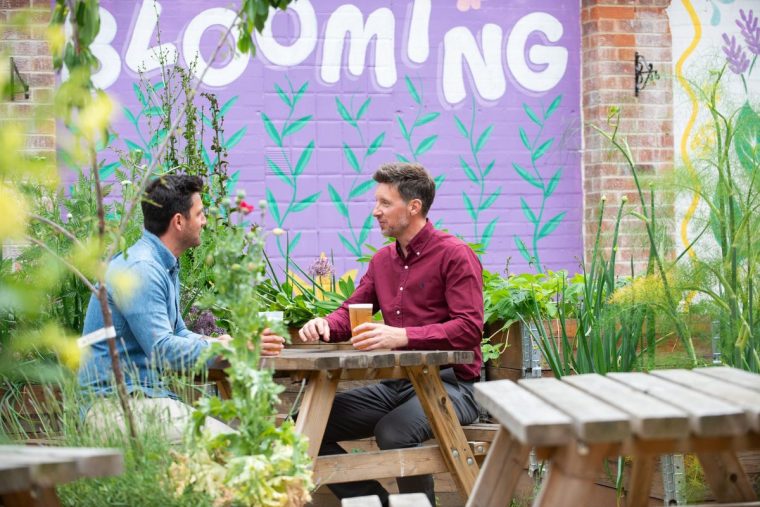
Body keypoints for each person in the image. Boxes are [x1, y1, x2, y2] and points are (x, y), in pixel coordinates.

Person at [299, 163, 483, 506]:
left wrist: (404, 337)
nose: (375, 211)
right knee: (303, 427)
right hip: (397, 383)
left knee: (394, 433)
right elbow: (351, 311)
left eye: (385, 203)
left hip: (453, 385)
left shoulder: (454, 255)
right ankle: (378, 504)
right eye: (376, 202)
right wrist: (324, 324)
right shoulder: (382, 261)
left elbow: (469, 328)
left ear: (413, 207)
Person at [78, 174, 285, 442]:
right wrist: (226, 349)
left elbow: (177, 332)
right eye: (200, 214)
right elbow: (163, 349)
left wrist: (221, 342)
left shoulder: (159, 263)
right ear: (178, 221)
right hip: (114, 407)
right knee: (238, 446)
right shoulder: (143, 269)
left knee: (241, 442)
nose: (204, 221)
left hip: (141, 398)